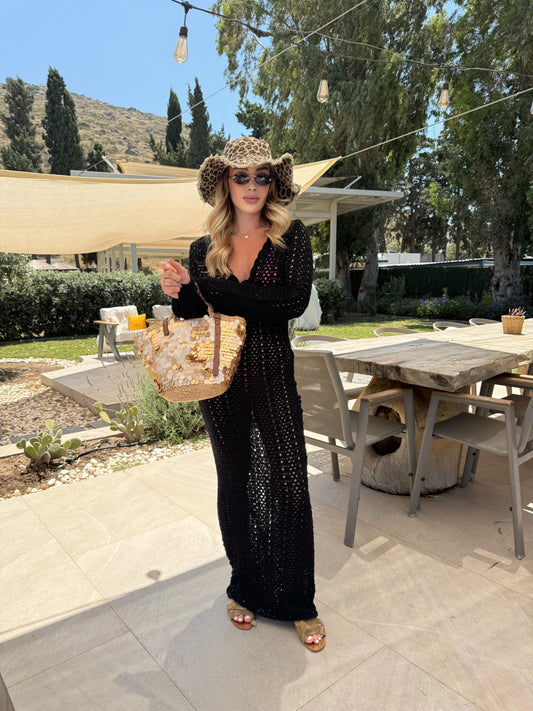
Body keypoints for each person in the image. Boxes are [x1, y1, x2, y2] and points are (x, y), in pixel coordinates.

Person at [159, 136, 325, 652]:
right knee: (235, 483)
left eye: (261, 176)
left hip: (273, 375)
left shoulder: (292, 236)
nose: (252, 186)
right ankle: (244, 586)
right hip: (222, 383)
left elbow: (290, 303)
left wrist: (214, 289)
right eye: (241, 176)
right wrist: (183, 292)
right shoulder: (202, 248)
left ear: (273, 183)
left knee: (290, 484)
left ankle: (297, 601)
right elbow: (196, 317)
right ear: (225, 183)